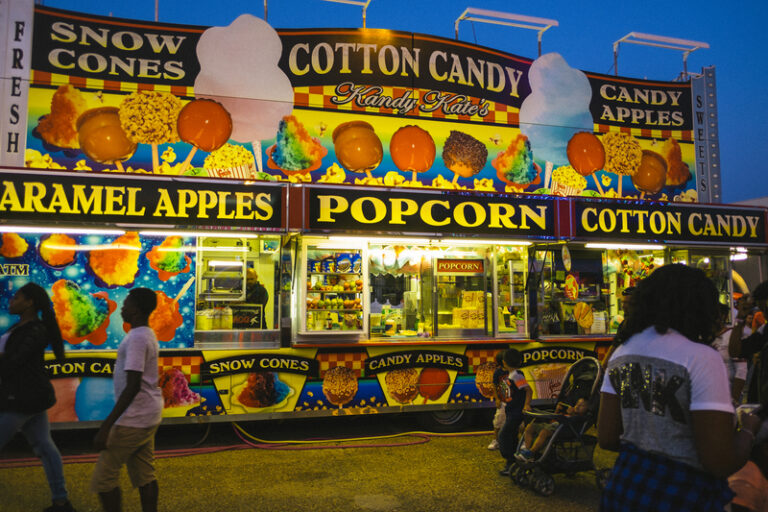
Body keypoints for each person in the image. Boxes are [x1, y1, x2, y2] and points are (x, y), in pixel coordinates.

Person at [598, 264, 761, 512]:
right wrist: (748, 430)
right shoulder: (701, 358)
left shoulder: (623, 352)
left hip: (626, 487)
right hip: (682, 493)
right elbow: (719, 461)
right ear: (699, 308)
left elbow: (608, 437)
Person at [0, 282, 76, 512]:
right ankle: (61, 500)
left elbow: (13, 362)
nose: (11, 302)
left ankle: (62, 499)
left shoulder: (33, 330)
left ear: (30, 302)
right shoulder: (21, 327)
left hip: (21, 399)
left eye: (17, 298)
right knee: (44, 446)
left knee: (44, 446)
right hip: (30, 397)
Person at [92, 288, 162, 512]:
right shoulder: (146, 334)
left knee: (103, 480)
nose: (122, 307)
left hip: (134, 418)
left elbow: (133, 385)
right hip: (148, 415)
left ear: (137, 310)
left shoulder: (137, 338)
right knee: (145, 475)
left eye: (127, 304)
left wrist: (106, 425)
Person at [516, 398, 588, 461]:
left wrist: (572, 415)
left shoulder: (580, 418)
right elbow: (554, 418)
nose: (578, 406)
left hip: (562, 430)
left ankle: (532, 452)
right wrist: (557, 410)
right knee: (529, 427)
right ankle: (527, 451)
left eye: (582, 405)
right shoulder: (568, 411)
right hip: (551, 425)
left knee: (544, 432)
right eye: (577, 404)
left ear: (587, 409)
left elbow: (569, 422)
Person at [731, 282, 768, 404]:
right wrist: (740, 318)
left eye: (765, 309)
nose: (764, 315)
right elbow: (735, 350)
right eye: (762, 310)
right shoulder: (765, 331)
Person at [497, 348, 532, 476]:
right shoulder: (512, 375)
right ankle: (513, 461)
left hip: (517, 412)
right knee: (511, 436)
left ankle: (510, 460)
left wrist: (526, 404)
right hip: (511, 411)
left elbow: (528, 390)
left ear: (505, 362)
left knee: (503, 435)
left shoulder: (516, 376)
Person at [711, 302, 748, 404]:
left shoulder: (732, 336)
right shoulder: (705, 338)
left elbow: (741, 371)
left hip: (727, 397)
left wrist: (734, 400)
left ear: (724, 316)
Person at [487, 350, 507, 450]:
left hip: (514, 401)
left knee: (520, 423)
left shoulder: (516, 372)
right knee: (498, 421)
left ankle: (524, 442)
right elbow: (495, 386)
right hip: (503, 400)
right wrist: (497, 399)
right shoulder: (498, 372)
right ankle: (496, 440)